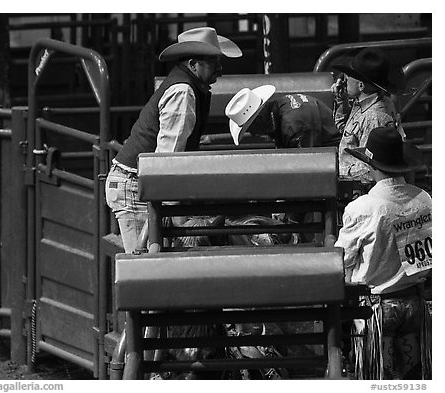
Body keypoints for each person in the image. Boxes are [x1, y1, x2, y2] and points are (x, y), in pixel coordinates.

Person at [105, 27, 242, 253]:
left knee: (151, 265)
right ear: (192, 64)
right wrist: (169, 208)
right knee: (145, 268)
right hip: (137, 185)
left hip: (139, 183)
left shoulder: (185, 85)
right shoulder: (183, 92)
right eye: (212, 61)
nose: (220, 67)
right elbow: (167, 159)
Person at [335, 127, 431, 380]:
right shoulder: (425, 200)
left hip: (378, 306)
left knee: (379, 378)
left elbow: (341, 260)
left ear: (371, 166)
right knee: (416, 375)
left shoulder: (362, 208)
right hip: (417, 301)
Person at [330, 48, 405, 182]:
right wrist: (342, 99)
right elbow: (346, 130)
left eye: (349, 75)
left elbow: (370, 166)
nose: (344, 78)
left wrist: (335, 172)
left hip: (358, 187)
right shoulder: (369, 103)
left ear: (361, 85)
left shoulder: (374, 117)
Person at [244, 93, 341, 149]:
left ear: (259, 121)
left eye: (252, 129)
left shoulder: (293, 126)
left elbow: (307, 164)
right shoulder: (282, 103)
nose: (253, 134)